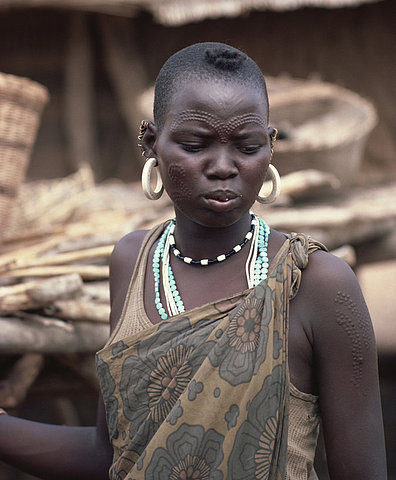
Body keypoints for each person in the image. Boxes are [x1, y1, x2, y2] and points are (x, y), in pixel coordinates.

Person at [0, 42, 387, 480]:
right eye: (194, 143)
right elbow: (111, 455)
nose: (223, 166)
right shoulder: (133, 263)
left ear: (271, 147)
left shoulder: (315, 283)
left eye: (247, 146)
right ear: (151, 143)